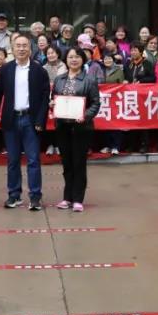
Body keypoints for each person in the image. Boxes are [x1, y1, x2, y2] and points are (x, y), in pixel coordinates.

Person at [0, 34, 51, 211]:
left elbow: (45, 97)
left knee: (33, 160)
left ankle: (35, 197)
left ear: (30, 49)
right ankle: (14, 195)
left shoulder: (39, 71)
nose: (22, 49)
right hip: (11, 119)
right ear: (13, 49)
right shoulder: (6, 69)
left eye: (25, 46)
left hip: (31, 120)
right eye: (18, 46)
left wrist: (40, 120)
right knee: (13, 160)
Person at [52, 48, 101, 213]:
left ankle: (78, 199)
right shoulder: (59, 79)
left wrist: (85, 116)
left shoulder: (89, 80)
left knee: (79, 163)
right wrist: (52, 105)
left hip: (81, 128)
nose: (74, 60)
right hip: (62, 127)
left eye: (77, 57)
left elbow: (95, 103)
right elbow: (54, 99)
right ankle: (67, 198)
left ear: (82, 60)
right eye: (70, 57)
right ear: (66, 60)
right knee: (67, 163)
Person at [124, 42, 156, 154]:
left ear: (141, 51)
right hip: (131, 97)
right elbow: (126, 77)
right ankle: (132, 145)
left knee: (143, 121)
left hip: (144, 97)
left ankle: (144, 145)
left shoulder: (147, 63)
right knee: (131, 121)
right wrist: (125, 81)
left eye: (135, 50)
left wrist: (141, 81)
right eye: (131, 50)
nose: (133, 52)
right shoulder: (128, 64)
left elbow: (153, 78)